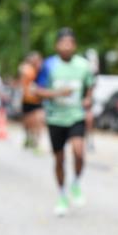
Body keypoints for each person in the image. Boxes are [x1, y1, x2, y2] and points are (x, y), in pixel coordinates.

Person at [34, 28, 95, 216]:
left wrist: (88, 99)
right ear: (57, 45)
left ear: (75, 45)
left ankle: (76, 183)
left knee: (78, 151)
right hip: (55, 118)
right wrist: (58, 93)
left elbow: (90, 86)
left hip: (76, 115)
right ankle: (61, 194)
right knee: (59, 159)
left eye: (70, 43)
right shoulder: (49, 65)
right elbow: (37, 90)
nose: (66, 47)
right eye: (63, 43)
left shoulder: (84, 65)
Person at [19, 51, 44, 151]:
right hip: (27, 99)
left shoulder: (42, 71)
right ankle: (28, 136)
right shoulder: (27, 70)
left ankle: (37, 142)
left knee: (39, 120)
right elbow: (22, 71)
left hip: (38, 99)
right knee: (28, 122)